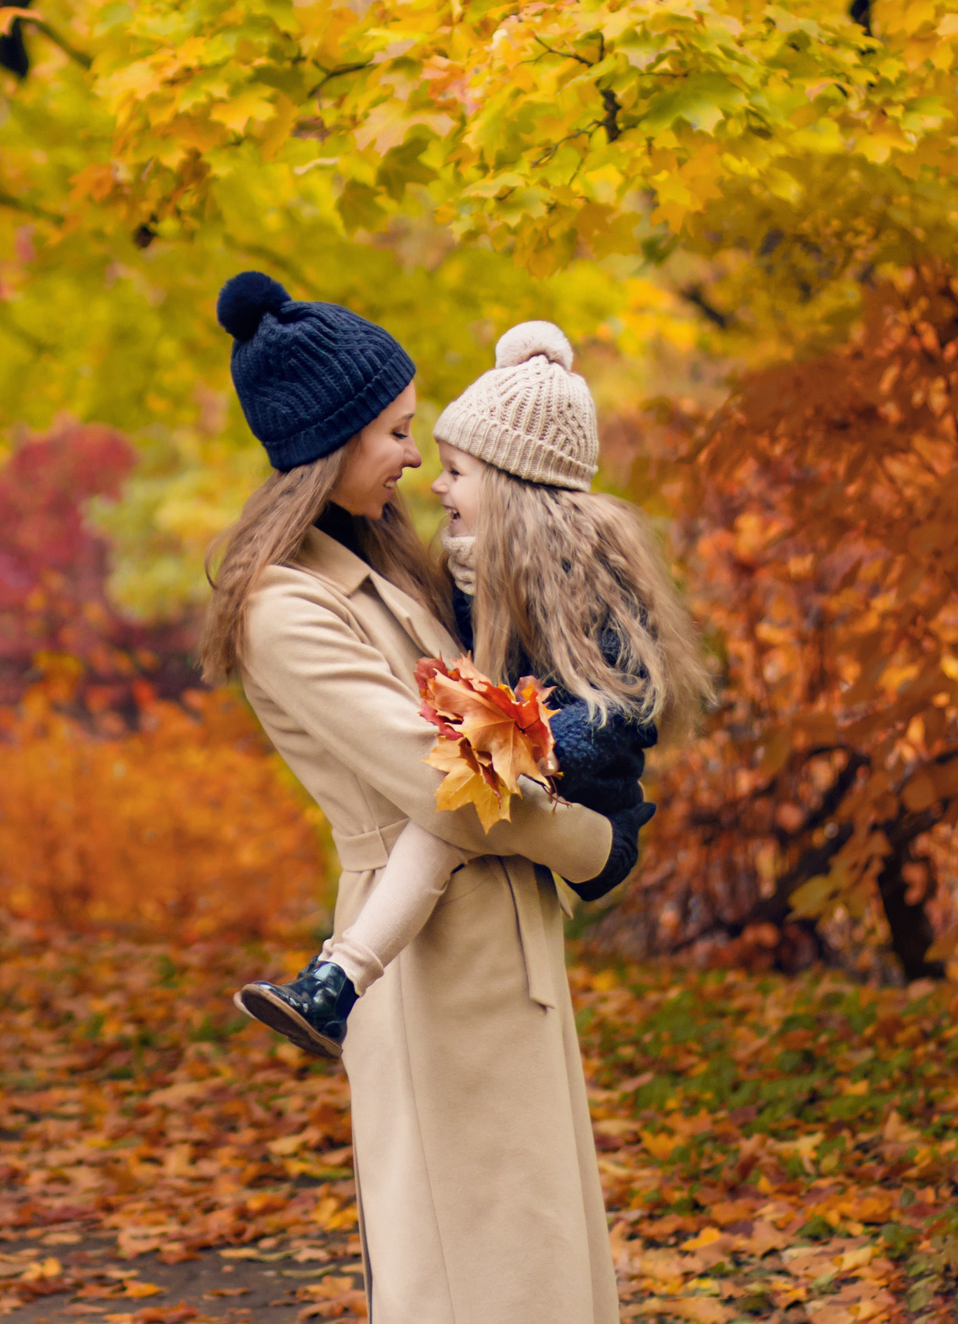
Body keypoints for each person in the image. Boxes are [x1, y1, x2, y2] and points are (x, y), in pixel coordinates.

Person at [202, 272, 637, 1324]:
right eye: (397, 433)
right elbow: (443, 797)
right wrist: (592, 845)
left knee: (542, 1265)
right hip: (430, 965)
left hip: (499, 945)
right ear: (332, 441)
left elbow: (521, 698)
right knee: (474, 1276)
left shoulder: (395, 564)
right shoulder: (283, 606)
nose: (413, 456)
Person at [238, 319, 709, 1055]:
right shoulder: (446, 570)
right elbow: (450, 739)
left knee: (462, 787)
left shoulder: (580, 567)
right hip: (480, 881)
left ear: (513, 483)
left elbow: (624, 700)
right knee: (455, 794)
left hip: (583, 792)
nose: (429, 473)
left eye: (457, 470)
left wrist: (547, 747)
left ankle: (339, 976)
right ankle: (339, 980)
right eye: (400, 432)